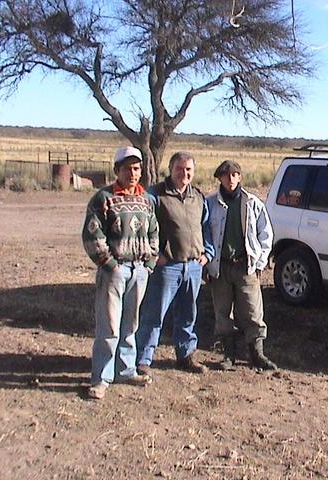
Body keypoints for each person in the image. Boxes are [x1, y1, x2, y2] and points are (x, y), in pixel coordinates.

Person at [82, 146, 159, 400]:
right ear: (117, 170)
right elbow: (93, 234)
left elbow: (154, 233)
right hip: (115, 270)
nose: (133, 173)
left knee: (131, 324)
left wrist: (149, 263)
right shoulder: (103, 198)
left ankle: (126, 370)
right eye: (128, 168)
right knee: (109, 325)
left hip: (139, 269)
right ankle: (101, 378)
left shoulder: (146, 200)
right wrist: (110, 264)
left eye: (137, 168)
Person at [136, 152, 215, 376]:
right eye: (180, 169)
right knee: (154, 315)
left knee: (188, 314)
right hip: (167, 267)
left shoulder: (198, 197)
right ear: (171, 169)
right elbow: (142, 228)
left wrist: (207, 254)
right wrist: (155, 255)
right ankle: (143, 358)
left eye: (189, 170)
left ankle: (185, 355)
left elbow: (206, 228)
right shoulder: (155, 195)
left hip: (193, 266)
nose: (184, 173)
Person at [206, 160, 277, 370]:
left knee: (253, 312)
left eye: (235, 174)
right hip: (220, 267)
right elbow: (205, 233)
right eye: (226, 175)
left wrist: (260, 262)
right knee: (223, 313)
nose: (230, 179)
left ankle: (257, 355)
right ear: (219, 177)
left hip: (246, 266)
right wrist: (208, 263)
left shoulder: (253, 203)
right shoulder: (210, 204)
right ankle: (228, 356)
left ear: (240, 177)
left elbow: (266, 234)